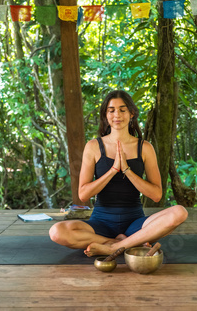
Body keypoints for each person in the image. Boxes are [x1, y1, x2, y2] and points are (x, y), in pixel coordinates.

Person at [49, 90, 188, 256]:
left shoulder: (145, 148)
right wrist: (113, 170)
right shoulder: (93, 146)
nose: (117, 115)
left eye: (122, 110)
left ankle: (112, 248)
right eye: (111, 110)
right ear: (105, 115)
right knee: (57, 232)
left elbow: (157, 195)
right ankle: (123, 243)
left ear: (132, 113)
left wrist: (127, 170)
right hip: (101, 223)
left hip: (135, 222)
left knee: (179, 212)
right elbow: (83, 194)